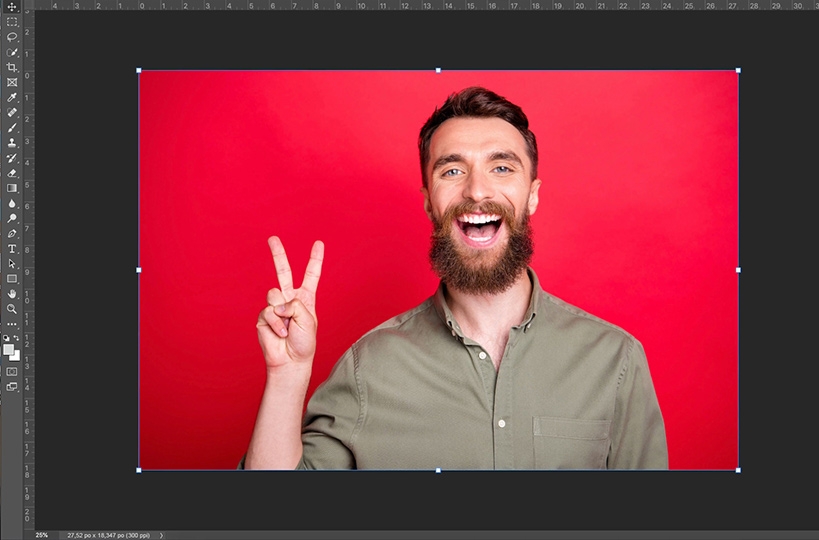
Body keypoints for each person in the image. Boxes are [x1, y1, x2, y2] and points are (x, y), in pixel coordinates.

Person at [242, 86, 667, 470]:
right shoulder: (367, 369)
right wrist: (287, 375)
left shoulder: (615, 361)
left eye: (502, 168)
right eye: (452, 171)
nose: (477, 191)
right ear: (429, 201)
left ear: (532, 194)